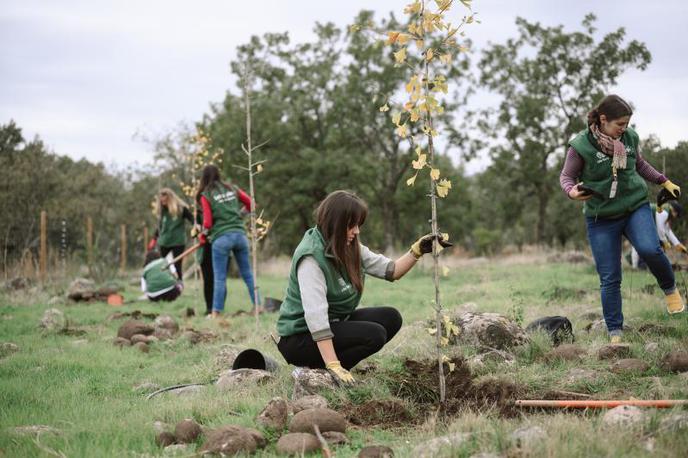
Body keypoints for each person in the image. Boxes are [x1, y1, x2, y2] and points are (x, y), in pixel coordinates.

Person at [275, 190, 451, 385]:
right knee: (374, 335)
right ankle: (323, 371)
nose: (357, 231)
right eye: (351, 225)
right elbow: (316, 317)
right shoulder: (310, 257)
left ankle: (328, 369)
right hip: (301, 337)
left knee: (390, 318)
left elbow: (391, 271)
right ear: (335, 223)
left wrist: (417, 250)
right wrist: (333, 363)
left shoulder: (347, 245)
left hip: (334, 322)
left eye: (358, 225)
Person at [559, 94, 685, 343]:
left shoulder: (629, 138)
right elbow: (566, 178)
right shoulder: (581, 146)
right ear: (603, 120)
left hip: (634, 206)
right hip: (601, 217)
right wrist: (572, 192)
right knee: (609, 277)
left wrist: (664, 181)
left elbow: (639, 164)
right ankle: (615, 332)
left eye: (627, 124)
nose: (624, 129)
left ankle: (670, 290)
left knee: (650, 249)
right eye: (620, 124)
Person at [196, 165, 256, 318]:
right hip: (240, 235)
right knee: (248, 274)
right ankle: (258, 305)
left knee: (220, 277)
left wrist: (203, 236)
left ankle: (216, 313)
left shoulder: (206, 195)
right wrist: (239, 216)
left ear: (203, 177)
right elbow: (251, 203)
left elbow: (208, 223)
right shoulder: (232, 188)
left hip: (221, 238)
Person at [148, 188, 194, 278]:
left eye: (165, 201)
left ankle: (179, 284)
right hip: (164, 241)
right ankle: (161, 283)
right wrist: (154, 238)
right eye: (161, 201)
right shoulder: (162, 211)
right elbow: (160, 226)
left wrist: (197, 228)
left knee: (177, 266)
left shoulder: (181, 209)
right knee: (160, 264)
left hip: (178, 241)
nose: (163, 203)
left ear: (170, 199)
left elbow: (192, 219)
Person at [631, 200, 687, 268]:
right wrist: (665, 242)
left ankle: (637, 265)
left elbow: (668, 231)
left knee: (642, 243)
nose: (675, 217)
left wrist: (678, 244)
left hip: (642, 219)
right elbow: (660, 230)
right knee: (639, 243)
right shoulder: (664, 212)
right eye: (676, 215)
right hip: (638, 217)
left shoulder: (666, 212)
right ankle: (635, 266)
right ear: (674, 211)